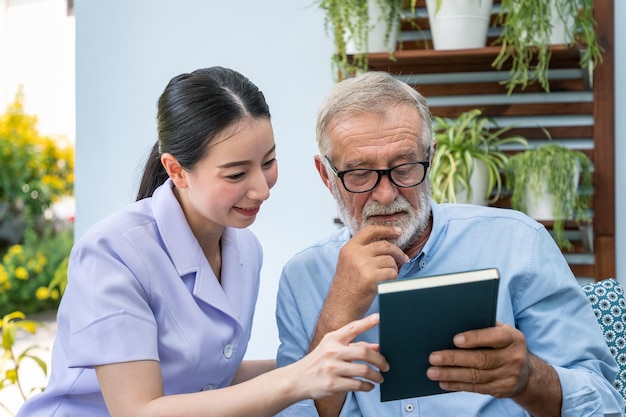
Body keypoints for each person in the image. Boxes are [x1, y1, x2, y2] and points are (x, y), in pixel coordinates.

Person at [17, 67, 389, 417]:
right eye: (237, 173)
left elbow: (205, 379)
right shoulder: (113, 253)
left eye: (269, 162)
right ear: (176, 170)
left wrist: (323, 362)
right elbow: (138, 411)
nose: (261, 189)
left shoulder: (245, 250)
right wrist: (295, 378)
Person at [275, 71, 624, 417]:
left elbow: (606, 403)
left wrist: (530, 379)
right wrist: (337, 310)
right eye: (360, 174)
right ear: (326, 176)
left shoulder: (519, 243)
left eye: (405, 167)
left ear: (431, 157)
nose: (385, 193)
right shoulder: (303, 277)